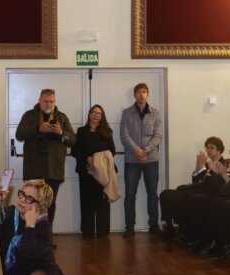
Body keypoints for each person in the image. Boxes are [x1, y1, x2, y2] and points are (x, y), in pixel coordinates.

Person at [0, 178, 63, 275]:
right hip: (17, 273)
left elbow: (27, 252)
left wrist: (30, 226)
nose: (22, 200)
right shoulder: (12, 212)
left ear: (40, 206)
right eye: (22, 194)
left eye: (29, 199)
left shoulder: (43, 226)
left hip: (37, 273)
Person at [15, 88, 76, 214]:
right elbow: (19, 134)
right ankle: (31, 226)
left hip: (54, 170)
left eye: (51, 101)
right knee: (31, 203)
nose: (49, 104)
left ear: (55, 102)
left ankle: (47, 227)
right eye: (46, 101)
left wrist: (60, 132)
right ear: (39, 101)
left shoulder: (62, 117)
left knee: (50, 204)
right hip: (33, 170)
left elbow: (72, 140)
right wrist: (38, 128)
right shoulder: (29, 115)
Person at [119, 82, 163, 237]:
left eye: (144, 92)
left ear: (148, 94)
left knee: (152, 194)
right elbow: (124, 136)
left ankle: (154, 226)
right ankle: (129, 227)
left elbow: (158, 136)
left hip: (151, 160)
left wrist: (146, 151)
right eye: (138, 92)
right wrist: (137, 151)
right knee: (130, 194)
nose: (141, 95)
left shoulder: (155, 113)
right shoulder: (126, 113)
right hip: (132, 160)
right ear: (134, 95)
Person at [71, 104, 116, 237]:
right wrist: (87, 159)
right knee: (86, 202)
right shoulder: (81, 132)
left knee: (102, 203)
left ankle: (103, 232)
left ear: (102, 117)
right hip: (86, 171)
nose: (96, 115)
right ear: (89, 114)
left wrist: (97, 159)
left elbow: (112, 151)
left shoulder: (107, 132)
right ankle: (87, 231)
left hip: (102, 172)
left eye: (99, 113)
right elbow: (74, 150)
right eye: (94, 112)